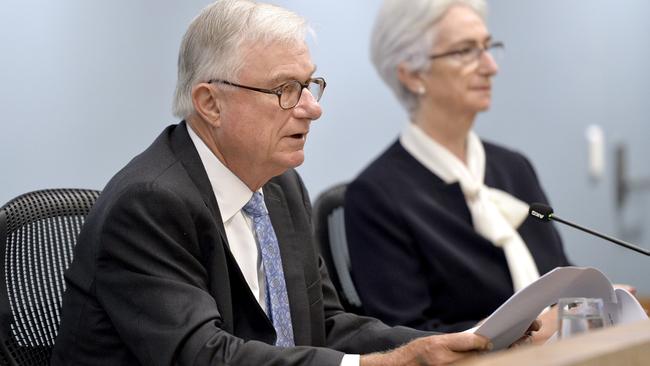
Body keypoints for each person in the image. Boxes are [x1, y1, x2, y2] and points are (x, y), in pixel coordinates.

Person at [49, 1, 511, 365]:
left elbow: (323, 324)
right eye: (285, 90)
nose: (312, 108)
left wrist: (443, 345)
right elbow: (204, 356)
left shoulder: (280, 186)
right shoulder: (150, 203)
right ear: (210, 102)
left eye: (311, 85)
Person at [344, 0, 571, 335]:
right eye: (466, 51)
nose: (490, 66)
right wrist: (523, 335)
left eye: (489, 47)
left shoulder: (514, 167)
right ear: (411, 74)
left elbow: (561, 278)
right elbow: (407, 338)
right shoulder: (375, 195)